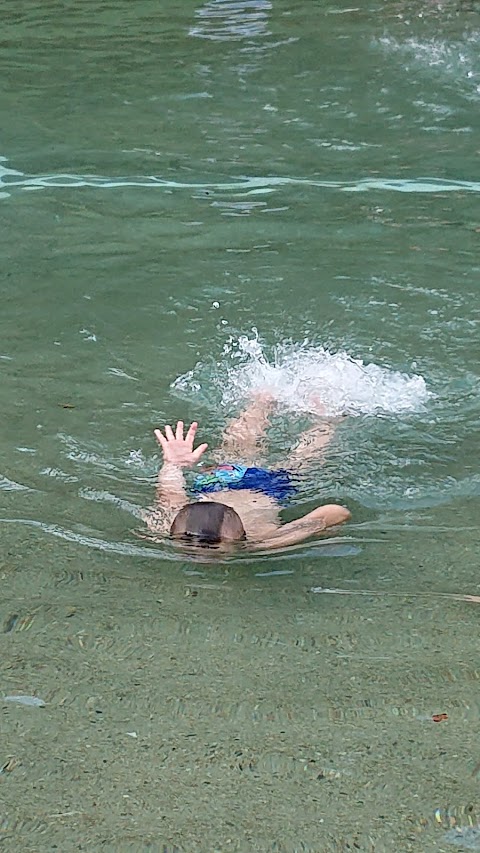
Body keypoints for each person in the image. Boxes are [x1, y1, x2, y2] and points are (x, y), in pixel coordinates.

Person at [145, 393, 350, 551]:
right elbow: (336, 512)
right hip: (218, 481)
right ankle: (267, 398)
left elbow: (336, 512)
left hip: (265, 488)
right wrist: (171, 465)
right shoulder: (167, 524)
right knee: (238, 444)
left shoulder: (264, 540)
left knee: (301, 459)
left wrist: (173, 464)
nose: (200, 554)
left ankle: (325, 418)